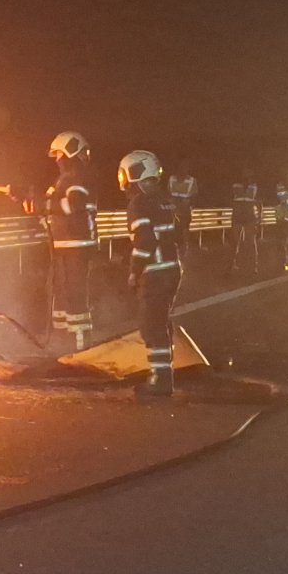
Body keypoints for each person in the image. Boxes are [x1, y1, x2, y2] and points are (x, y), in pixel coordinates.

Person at [120, 150, 182, 396]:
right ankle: (164, 375)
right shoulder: (163, 199)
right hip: (172, 269)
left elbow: (144, 241)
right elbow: (177, 233)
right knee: (161, 323)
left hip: (155, 273)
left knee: (151, 326)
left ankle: (160, 381)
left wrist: (134, 271)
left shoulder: (139, 202)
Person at [46, 131, 97, 350]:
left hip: (76, 246)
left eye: (58, 154)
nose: (57, 160)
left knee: (75, 296)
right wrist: (28, 199)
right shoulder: (67, 178)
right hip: (65, 246)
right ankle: (62, 343)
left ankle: (80, 346)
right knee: (61, 294)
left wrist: (43, 204)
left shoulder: (76, 176)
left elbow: (74, 206)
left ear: (68, 152)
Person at [230, 167, 263, 273]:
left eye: (248, 171)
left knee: (251, 242)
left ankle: (254, 266)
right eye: (244, 171)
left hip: (249, 217)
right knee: (235, 242)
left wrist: (259, 216)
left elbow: (258, 201)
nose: (246, 173)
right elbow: (232, 199)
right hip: (237, 216)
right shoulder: (235, 184)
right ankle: (232, 264)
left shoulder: (254, 186)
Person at [167, 159, 198, 252]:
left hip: (185, 209)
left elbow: (194, 196)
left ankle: (186, 245)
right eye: (180, 167)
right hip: (172, 209)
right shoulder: (171, 179)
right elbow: (168, 193)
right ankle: (173, 245)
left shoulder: (192, 180)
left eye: (185, 167)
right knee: (172, 227)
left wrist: (188, 203)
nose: (183, 169)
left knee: (184, 227)